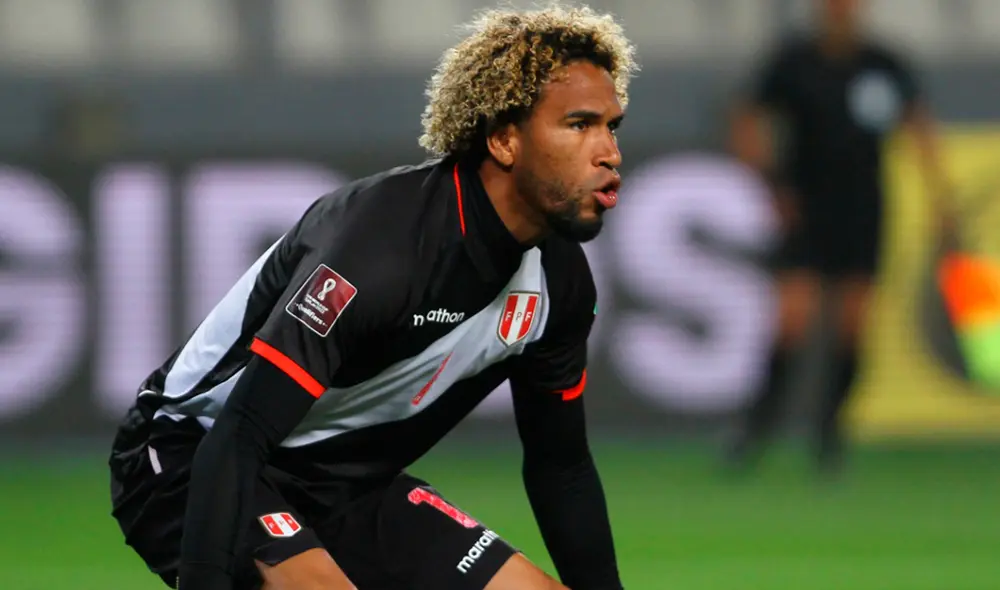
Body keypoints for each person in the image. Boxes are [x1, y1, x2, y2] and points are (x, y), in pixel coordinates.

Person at [108, 4, 638, 590]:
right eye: (580, 124)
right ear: (504, 140)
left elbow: (561, 465)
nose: (609, 152)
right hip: (192, 455)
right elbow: (239, 435)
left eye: (611, 126)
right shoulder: (380, 248)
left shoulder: (561, 285)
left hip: (347, 482)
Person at [725, 0, 950, 474]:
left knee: (853, 326)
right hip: (804, 209)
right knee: (793, 321)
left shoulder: (883, 63)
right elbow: (748, 116)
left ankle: (830, 435)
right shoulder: (795, 62)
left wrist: (939, 196)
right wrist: (767, 182)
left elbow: (918, 124)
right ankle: (755, 432)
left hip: (863, 210)